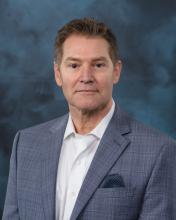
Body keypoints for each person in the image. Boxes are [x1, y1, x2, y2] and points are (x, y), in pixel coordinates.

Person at [2, 18, 176, 220]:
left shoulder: (159, 151)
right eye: (74, 65)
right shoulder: (26, 144)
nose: (86, 76)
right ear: (58, 74)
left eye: (98, 65)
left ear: (116, 71)